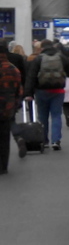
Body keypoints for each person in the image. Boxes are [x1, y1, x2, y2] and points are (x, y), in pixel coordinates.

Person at [24, 39, 69, 151]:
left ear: (42, 48)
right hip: (58, 91)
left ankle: (44, 141)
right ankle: (56, 141)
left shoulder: (38, 58)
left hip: (41, 91)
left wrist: (28, 93)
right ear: (53, 46)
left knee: (42, 116)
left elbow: (31, 77)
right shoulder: (61, 57)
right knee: (56, 115)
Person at [0, 42, 22, 173]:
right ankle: (3, 167)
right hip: (7, 109)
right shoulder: (13, 68)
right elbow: (19, 90)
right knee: (4, 138)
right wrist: (15, 105)